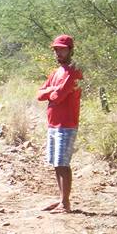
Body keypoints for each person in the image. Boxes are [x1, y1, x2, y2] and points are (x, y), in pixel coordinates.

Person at [37, 34, 83, 213]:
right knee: (57, 163)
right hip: (53, 124)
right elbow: (40, 94)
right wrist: (52, 90)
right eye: (56, 49)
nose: (58, 52)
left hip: (67, 123)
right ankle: (61, 199)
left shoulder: (74, 72)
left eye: (62, 49)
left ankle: (65, 203)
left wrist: (52, 92)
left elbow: (59, 96)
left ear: (70, 50)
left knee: (63, 163)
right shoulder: (56, 72)